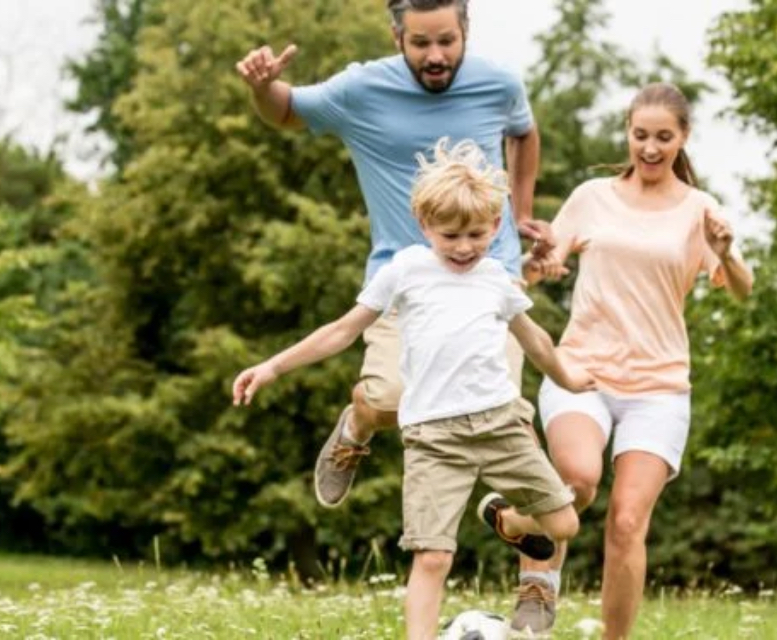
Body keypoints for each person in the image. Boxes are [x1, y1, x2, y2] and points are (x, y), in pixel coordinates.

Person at [231, 139, 590, 640]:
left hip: (500, 424)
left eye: (477, 234)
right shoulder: (405, 271)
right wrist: (272, 366)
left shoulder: (496, 280)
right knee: (433, 555)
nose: (464, 247)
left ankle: (508, 521)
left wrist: (571, 379)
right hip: (433, 437)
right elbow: (342, 330)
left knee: (565, 525)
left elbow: (536, 343)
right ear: (424, 226)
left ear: (495, 227)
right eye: (450, 235)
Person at [234, 0, 552, 509]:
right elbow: (286, 111)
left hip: (492, 273)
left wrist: (520, 209)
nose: (435, 55)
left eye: (447, 41)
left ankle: (536, 572)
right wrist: (261, 88)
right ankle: (357, 422)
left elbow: (523, 131)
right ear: (396, 37)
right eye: (420, 43)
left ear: (465, 30)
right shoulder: (361, 90)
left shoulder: (499, 83)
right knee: (389, 399)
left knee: (504, 413)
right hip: (404, 280)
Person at [505, 82, 754, 638]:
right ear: (628, 133)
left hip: (659, 387)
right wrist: (540, 262)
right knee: (577, 478)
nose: (649, 148)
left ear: (683, 138)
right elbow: (539, 266)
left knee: (626, 522)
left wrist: (728, 250)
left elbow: (740, 288)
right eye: (640, 135)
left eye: (663, 137)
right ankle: (536, 581)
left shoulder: (700, 210)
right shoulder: (592, 196)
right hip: (582, 370)